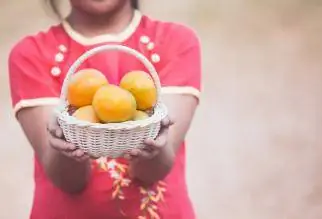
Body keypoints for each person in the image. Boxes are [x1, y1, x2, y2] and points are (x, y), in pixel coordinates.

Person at [8, 0, 201, 218]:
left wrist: (154, 145)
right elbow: (69, 181)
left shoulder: (175, 42)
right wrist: (66, 145)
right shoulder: (31, 54)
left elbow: (152, 171)